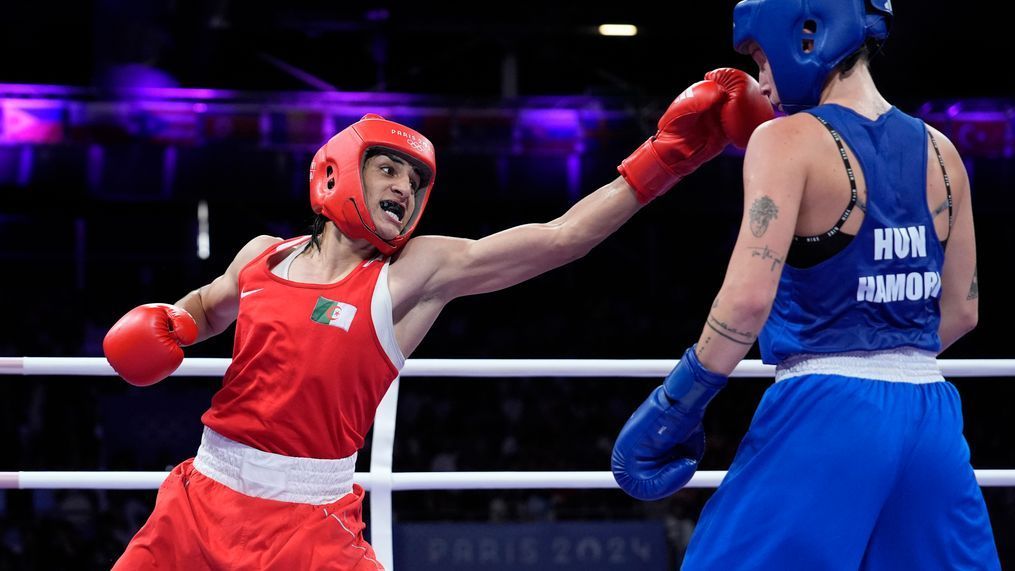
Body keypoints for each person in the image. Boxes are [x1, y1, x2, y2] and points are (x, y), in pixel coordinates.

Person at [101, 68, 773, 569]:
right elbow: (206, 306)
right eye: (387, 170)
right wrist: (172, 322)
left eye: (413, 181)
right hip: (200, 495)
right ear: (335, 171)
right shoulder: (261, 257)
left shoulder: (406, 276)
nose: (403, 188)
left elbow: (561, 236)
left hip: (307, 525)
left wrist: (666, 155)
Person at [611, 1, 1001, 569]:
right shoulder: (943, 153)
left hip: (826, 409)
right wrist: (879, 354)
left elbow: (746, 301)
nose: (761, 81)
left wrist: (677, 404)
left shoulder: (785, 140)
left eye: (761, 58)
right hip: (931, 413)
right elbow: (963, 312)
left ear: (807, 32)